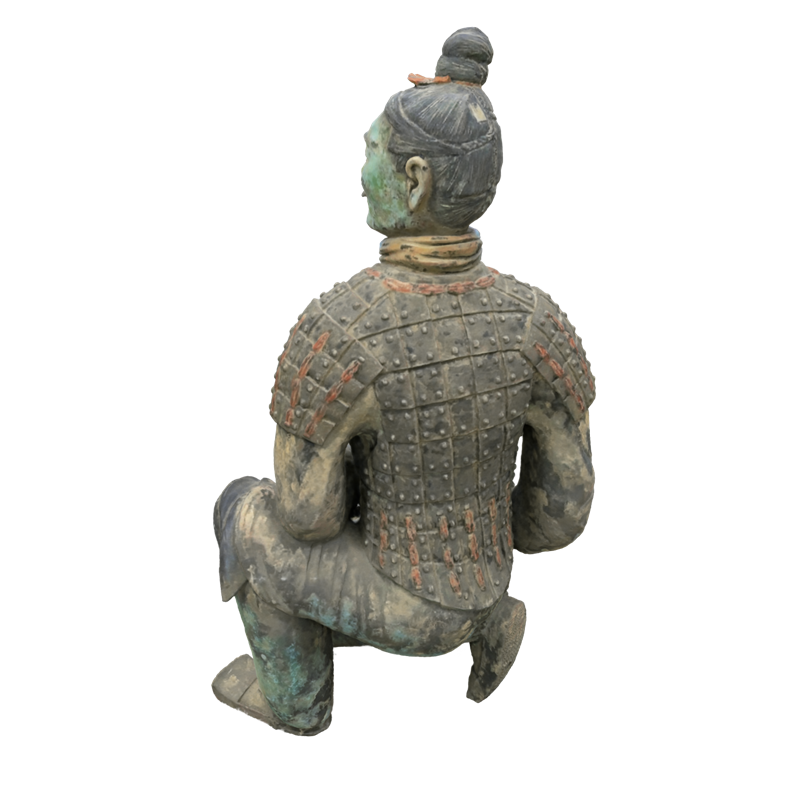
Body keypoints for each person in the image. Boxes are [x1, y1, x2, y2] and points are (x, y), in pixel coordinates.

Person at [213, 26, 596, 736]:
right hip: (487, 580)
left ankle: (296, 701)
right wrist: (473, 546)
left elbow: (308, 518)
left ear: (415, 180)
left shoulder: (338, 327)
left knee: (245, 511)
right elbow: (563, 513)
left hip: (401, 601)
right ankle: (491, 619)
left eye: (372, 154)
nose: (363, 173)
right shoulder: (540, 321)